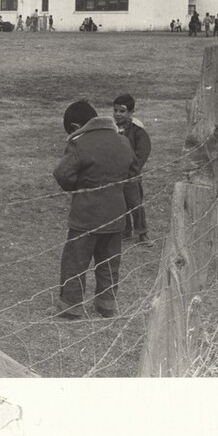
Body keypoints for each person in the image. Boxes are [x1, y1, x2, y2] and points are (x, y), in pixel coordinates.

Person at [53, 100, 135, 319]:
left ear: (74, 127)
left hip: (86, 215)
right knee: (109, 262)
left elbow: (62, 174)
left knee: (76, 261)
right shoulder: (123, 141)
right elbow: (131, 170)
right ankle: (106, 304)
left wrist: (78, 186)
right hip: (116, 214)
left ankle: (71, 305)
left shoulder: (79, 144)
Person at [113, 94, 152, 245]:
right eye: (115, 110)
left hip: (131, 175)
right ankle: (125, 230)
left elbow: (142, 153)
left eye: (122, 111)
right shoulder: (112, 130)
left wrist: (133, 171)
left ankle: (142, 233)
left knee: (135, 203)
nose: (117, 114)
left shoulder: (137, 132)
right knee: (120, 203)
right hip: (116, 175)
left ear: (131, 113)